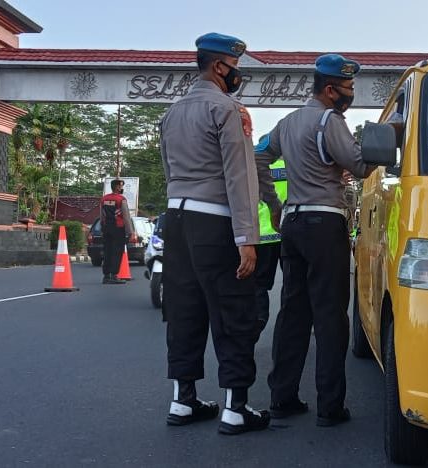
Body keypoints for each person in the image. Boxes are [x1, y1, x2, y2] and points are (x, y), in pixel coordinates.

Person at [159, 32, 281, 435]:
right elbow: (240, 176)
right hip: (215, 222)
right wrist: (247, 238)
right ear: (218, 66)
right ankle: (235, 408)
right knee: (234, 313)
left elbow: (168, 171)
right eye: (235, 67)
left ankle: (183, 401)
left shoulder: (172, 113)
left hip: (177, 219)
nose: (237, 74)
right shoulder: (228, 109)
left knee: (184, 311)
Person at [256, 54, 376, 426]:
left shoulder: (287, 122)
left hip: (292, 223)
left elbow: (258, 157)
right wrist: (381, 139)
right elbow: (360, 166)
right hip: (325, 223)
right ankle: (330, 406)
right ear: (330, 90)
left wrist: (273, 203)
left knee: (293, 313)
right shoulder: (330, 120)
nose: (351, 94)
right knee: (329, 315)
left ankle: (282, 397)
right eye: (348, 87)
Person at [252, 134, 287, 341]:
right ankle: (289, 324)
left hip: (261, 236)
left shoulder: (254, 168)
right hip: (285, 233)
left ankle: (258, 320)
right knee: (292, 283)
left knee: (258, 285)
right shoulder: (290, 167)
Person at [100, 179, 137, 284]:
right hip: (118, 228)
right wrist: (131, 232)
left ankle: (106, 275)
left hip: (106, 228)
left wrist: (103, 227)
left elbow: (102, 215)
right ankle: (114, 275)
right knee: (117, 252)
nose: (121, 188)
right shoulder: (121, 199)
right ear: (116, 187)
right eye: (120, 186)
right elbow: (126, 217)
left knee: (107, 251)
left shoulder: (104, 199)